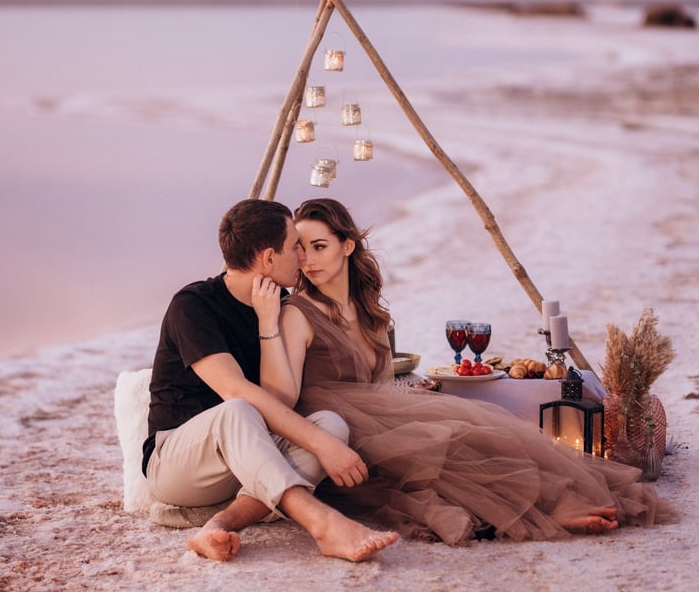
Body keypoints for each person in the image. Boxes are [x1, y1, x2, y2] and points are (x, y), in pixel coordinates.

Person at [267, 197, 673, 545]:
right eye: (299, 249)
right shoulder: (297, 314)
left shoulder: (372, 316)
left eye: (319, 246)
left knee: (478, 431)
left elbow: (375, 384)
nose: (306, 259)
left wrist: (409, 399)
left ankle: (555, 499)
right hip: (330, 428)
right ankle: (546, 510)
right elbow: (284, 396)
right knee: (448, 444)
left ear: (348, 246)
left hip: (372, 416)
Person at [142, 198, 399, 562]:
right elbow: (236, 392)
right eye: (295, 245)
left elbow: (283, 401)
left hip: (247, 457)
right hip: (179, 465)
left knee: (331, 425)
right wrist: (322, 447)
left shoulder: (279, 302)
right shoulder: (193, 305)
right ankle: (323, 524)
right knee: (240, 410)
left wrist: (327, 437)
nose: (303, 255)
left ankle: (219, 522)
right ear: (268, 258)